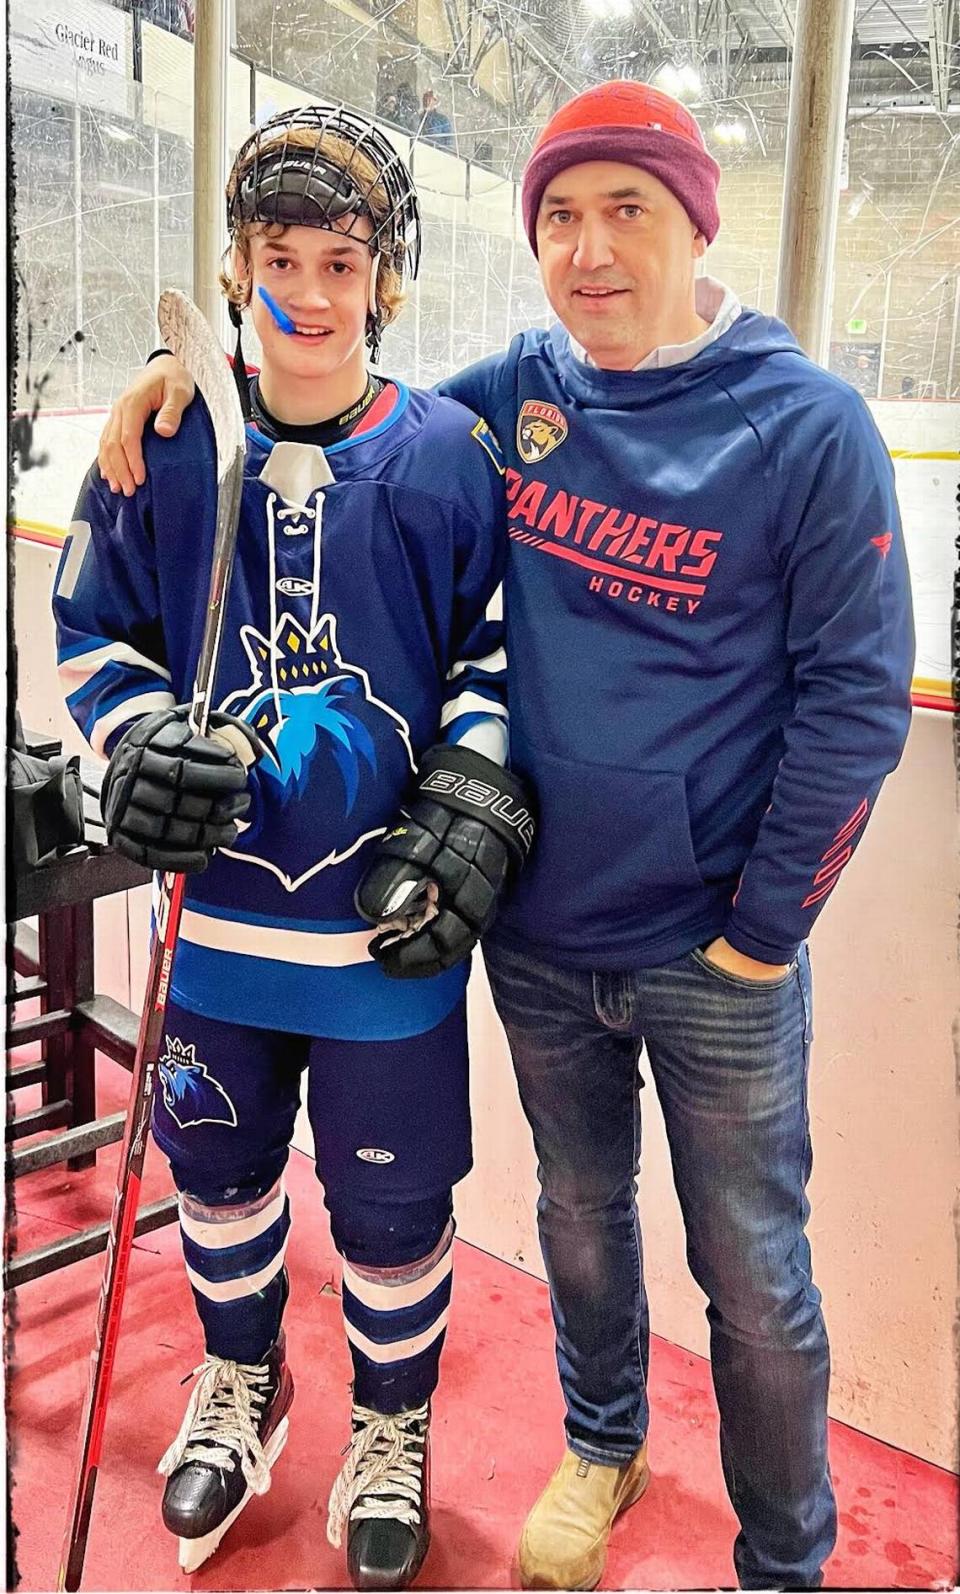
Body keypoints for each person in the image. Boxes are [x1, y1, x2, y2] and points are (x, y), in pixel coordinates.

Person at [96, 79, 916, 1592]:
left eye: (628, 211)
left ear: (695, 222)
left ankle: (788, 1558)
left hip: (717, 951)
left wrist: (763, 932)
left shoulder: (807, 424)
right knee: (581, 1227)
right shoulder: (512, 393)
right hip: (535, 936)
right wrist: (175, 373)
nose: (590, 249)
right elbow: (323, 389)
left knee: (753, 1274)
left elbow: (857, 704)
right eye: (558, 216)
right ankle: (602, 1448)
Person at [54, 102, 534, 1592]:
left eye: (342, 260)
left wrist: (467, 798)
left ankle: (393, 1425)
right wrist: (133, 740)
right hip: (214, 936)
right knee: (219, 1179)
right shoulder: (169, 447)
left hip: (380, 940)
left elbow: (491, 655)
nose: (310, 294)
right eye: (279, 259)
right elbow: (90, 628)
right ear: (240, 268)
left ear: (386, 277)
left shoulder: (450, 457)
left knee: (393, 1208)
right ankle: (242, 1381)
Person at [419, 89, 455, 154]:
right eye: (425, 99)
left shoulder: (442, 120)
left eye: (429, 100)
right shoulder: (418, 118)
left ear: (435, 102)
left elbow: (449, 142)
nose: (427, 102)